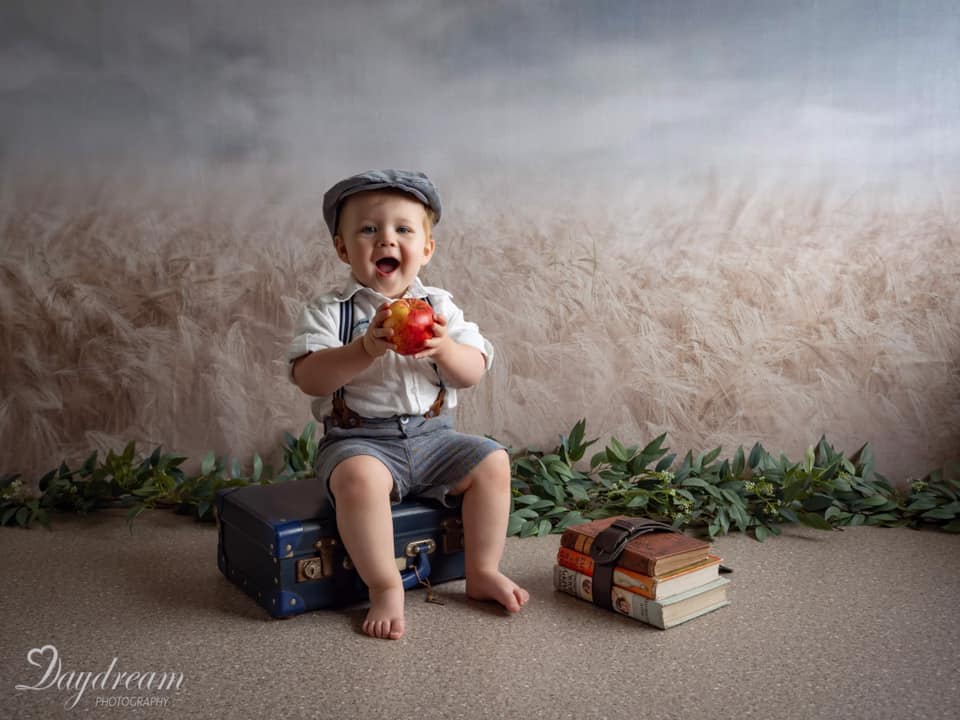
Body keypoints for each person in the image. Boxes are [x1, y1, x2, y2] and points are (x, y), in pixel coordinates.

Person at [287, 169, 529, 639]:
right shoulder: (330, 312)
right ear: (342, 249)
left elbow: (473, 370)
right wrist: (364, 350)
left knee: (493, 462)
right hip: (361, 442)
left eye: (403, 229)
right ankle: (385, 586)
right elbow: (309, 378)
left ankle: (481, 570)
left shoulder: (440, 308)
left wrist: (443, 349)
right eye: (368, 229)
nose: (386, 240)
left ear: (427, 248)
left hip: (435, 438)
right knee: (359, 480)